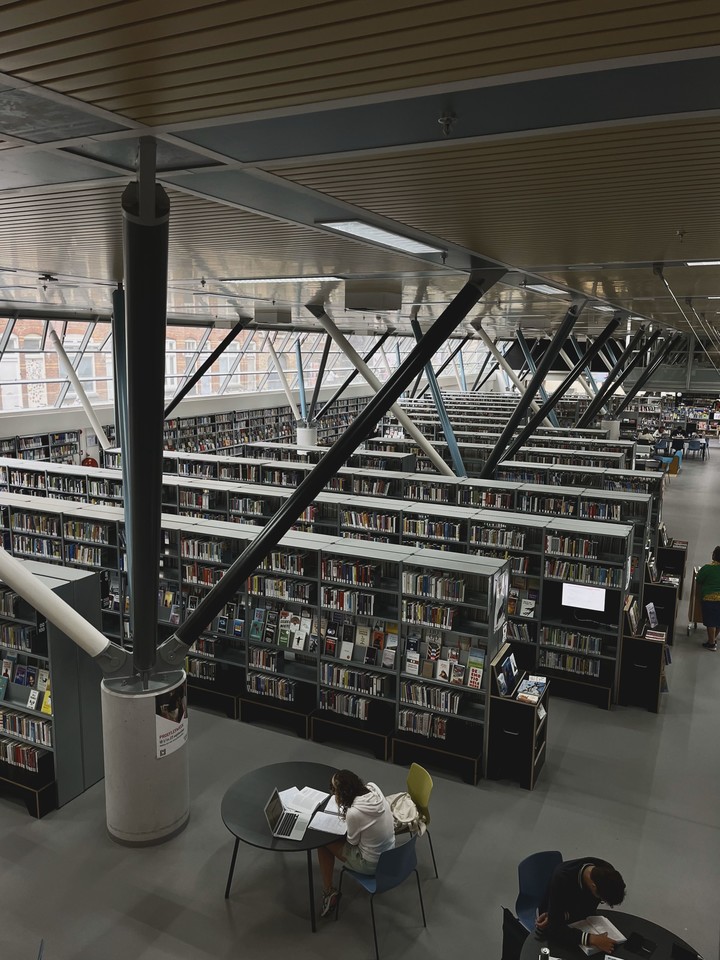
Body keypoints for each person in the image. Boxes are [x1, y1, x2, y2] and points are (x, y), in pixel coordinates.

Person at [317, 769, 395, 918]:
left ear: (343, 794)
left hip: (370, 863)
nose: (334, 795)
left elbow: (352, 842)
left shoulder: (354, 813)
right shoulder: (374, 789)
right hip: (390, 853)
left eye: (335, 791)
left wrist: (347, 819)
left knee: (323, 842)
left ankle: (328, 891)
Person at [536, 857, 626, 953]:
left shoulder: (607, 871)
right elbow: (554, 928)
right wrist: (591, 939)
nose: (600, 901)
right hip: (549, 916)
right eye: (601, 899)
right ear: (593, 886)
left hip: (571, 917)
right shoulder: (562, 877)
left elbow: (588, 910)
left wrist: (561, 916)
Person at [696, 545, 720, 651]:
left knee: (711, 622)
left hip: (710, 599)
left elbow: (699, 580)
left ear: (714, 555)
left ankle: (711, 644)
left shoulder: (707, 568)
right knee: (718, 621)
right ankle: (713, 639)